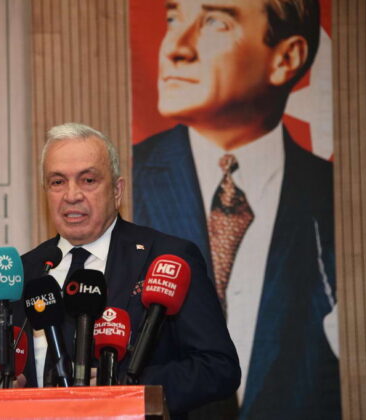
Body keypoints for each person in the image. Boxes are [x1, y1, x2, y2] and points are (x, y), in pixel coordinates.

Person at [133, 1, 339, 419]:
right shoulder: (128, 180)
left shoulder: (331, 196)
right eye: (173, 19)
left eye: (215, 22)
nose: (175, 47)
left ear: (286, 58)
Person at [0, 122, 240, 419]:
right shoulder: (23, 272)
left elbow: (218, 367)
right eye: (58, 182)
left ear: (117, 190)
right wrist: (1, 390)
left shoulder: (167, 258)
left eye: (88, 180)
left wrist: (125, 386)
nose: (71, 195)